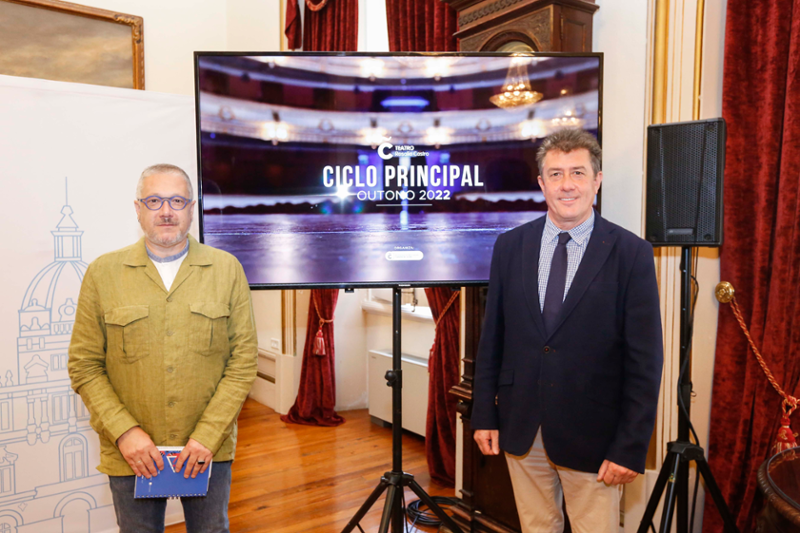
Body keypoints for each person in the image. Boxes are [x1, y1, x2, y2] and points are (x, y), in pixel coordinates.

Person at [471, 129, 663, 533]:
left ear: (597, 180)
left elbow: (645, 361)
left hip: (595, 436)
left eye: (578, 172)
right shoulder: (510, 247)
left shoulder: (632, 253)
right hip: (522, 429)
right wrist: (484, 414)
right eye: (555, 174)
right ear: (542, 184)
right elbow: (493, 340)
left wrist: (630, 447)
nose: (567, 185)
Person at [68, 164, 258, 533]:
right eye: (154, 201)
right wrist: (125, 433)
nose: (166, 211)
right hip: (131, 453)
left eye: (177, 201)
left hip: (207, 449)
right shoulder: (103, 273)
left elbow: (243, 361)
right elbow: (84, 365)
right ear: (138, 209)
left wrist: (208, 435)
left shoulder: (227, 269)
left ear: (192, 208)